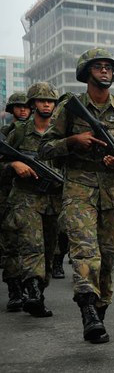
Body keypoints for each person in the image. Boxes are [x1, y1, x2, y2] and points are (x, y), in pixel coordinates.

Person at [40, 49, 114, 343]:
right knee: (85, 251)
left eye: (109, 67)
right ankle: (87, 308)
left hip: (113, 191)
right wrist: (72, 141)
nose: (105, 71)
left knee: (107, 258)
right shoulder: (70, 108)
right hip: (79, 188)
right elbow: (45, 148)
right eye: (99, 67)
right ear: (86, 72)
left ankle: (99, 308)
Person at [4, 83, 62, 318]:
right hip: (25, 198)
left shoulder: (60, 132)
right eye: (41, 100)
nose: (46, 104)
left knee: (49, 249)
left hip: (53, 200)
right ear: (32, 104)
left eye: (50, 101)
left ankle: (39, 289)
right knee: (31, 245)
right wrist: (13, 164)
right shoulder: (18, 132)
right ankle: (33, 292)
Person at [2, 92, 31, 311]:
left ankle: (32, 286)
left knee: (32, 246)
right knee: (11, 245)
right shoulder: (5, 135)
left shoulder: (39, 132)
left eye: (26, 106)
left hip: (32, 197)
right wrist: (11, 166)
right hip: (7, 196)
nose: (23, 110)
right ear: (11, 109)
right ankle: (14, 289)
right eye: (18, 107)